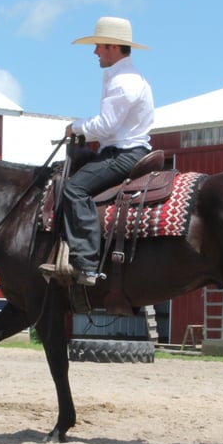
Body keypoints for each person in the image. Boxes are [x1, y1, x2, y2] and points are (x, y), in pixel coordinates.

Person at [58, 16, 154, 287]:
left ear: (113, 46)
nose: (95, 51)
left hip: (124, 153)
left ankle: (86, 264)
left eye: (99, 45)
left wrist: (74, 128)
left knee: (74, 190)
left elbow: (106, 124)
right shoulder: (125, 77)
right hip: (120, 149)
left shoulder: (124, 81)